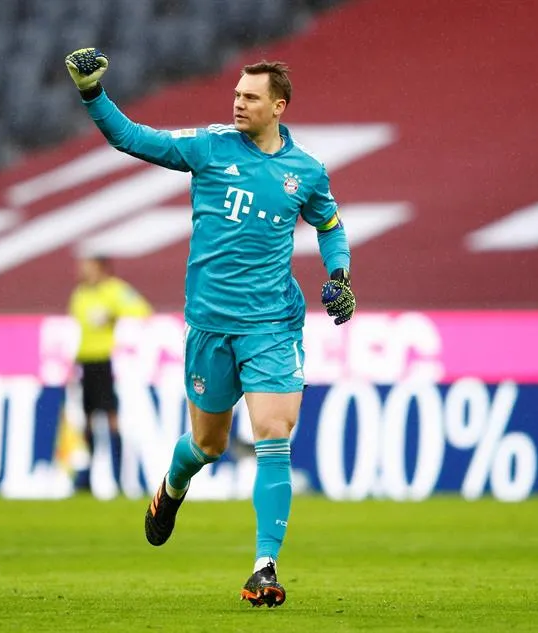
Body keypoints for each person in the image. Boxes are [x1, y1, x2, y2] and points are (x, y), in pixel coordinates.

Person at [65, 48, 356, 608]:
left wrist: (340, 275)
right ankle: (172, 488)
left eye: (250, 97)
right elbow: (132, 137)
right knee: (208, 443)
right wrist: (92, 94)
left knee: (274, 435)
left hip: (272, 324)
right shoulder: (210, 147)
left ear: (279, 106)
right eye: (237, 94)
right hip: (209, 326)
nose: (238, 102)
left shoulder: (307, 172)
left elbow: (330, 225)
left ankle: (264, 568)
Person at [68, 254, 152, 490]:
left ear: (102, 269)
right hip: (84, 362)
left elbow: (142, 308)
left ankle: (118, 477)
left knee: (111, 418)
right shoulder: (80, 294)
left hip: (104, 362)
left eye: (89, 267)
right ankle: (87, 478)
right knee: (87, 420)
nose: (85, 271)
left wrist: (113, 315)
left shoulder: (114, 290)